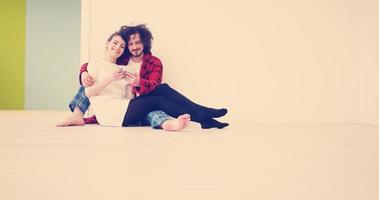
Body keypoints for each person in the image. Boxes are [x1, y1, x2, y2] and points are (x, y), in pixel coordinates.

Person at [59, 24, 228, 129]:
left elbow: (154, 85)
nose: (132, 46)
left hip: (135, 101)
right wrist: (84, 72)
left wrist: (138, 83)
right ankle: (201, 115)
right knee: (158, 101)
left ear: (144, 43)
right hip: (120, 109)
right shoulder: (121, 60)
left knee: (162, 91)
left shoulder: (153, 62)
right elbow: (95, 70)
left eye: (136, 42)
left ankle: (201, 115)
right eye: (129, 44)